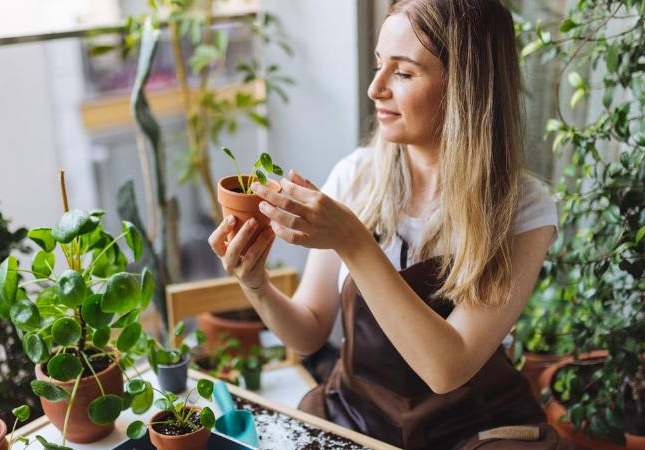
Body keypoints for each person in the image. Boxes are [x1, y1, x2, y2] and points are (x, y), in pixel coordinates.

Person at [208, 0, 577, 448]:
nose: (374, 88)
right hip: (354, 417)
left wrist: (353, 242)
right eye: (380, 64)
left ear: (466, 86)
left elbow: (448, 367)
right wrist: (256, 284)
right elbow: (309, 331)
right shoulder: (355, 176)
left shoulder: (523, 209)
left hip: (472, 430)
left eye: (403, 73)